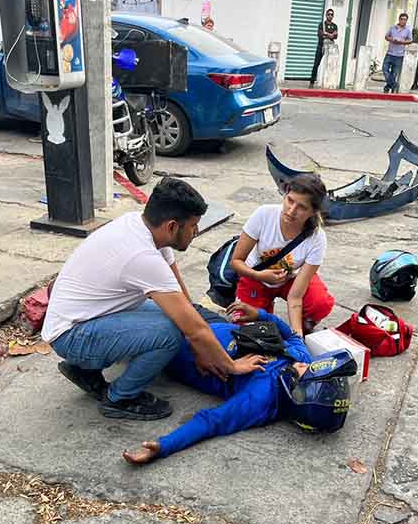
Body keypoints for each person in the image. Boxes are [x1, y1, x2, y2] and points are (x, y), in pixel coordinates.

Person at [42, 178, 265, 420]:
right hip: (71, 335)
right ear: (172, 226)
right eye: (193, 226)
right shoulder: (141, 254)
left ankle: (85, 369)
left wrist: (200, 345)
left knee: (178, 317)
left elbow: (182, 299)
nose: (196, 232)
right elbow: (194, 329)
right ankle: (120, 397)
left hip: (83, 317)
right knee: (168, 332)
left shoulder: (143, 226)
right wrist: (231, 366)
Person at [122, 301, 355, 464]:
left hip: (181, 347)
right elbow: (292, 335)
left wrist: (164, 446)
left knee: (128, 312)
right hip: (210, 323)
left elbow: (212, 421)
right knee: (163, 299)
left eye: (306, 372)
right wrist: (260, 315)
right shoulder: (300, 359)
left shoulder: (259, 399)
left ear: (297, 393)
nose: (306, 364)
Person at [230, 174, 334, 338]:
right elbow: (236, 261)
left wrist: (297, 337)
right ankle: (259, 305)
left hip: (290, 279)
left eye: (302, 207)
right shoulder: (264, 215)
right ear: (284, 195)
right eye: (290, 200)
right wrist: (258, 275)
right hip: (255, 276)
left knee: (319, 303)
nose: (292, 211)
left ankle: (303, 327)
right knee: (250, 333)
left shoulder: (317, 238)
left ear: (313, 212)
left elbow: (296, 296)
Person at [383, 13, 413, 93]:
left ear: (406, 21)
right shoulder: (392, 28)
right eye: (402, 19)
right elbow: (386, 36)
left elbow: (410, 40)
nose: (403, 21)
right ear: (399, 19)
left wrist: (402, 42)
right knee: (385, 69)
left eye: (405, 19)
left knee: (394, 73)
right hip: (390, 53)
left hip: (399, 55)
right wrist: (392, 39)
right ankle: (394, 85)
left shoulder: (408, 30)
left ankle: (388, 87)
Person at [309, 9, 338, 88]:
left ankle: (328, 83)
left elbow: (335, 36)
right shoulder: (322, 24)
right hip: (321, 47)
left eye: (332, 14)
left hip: (330, 49)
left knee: (329, 66)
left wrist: (326, 34)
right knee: (316, 64)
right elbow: (320, 34)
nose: (330, 16)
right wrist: (330, 34)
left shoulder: (334, 26)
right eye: (329, 14)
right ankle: (311, 82)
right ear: (326, 15)